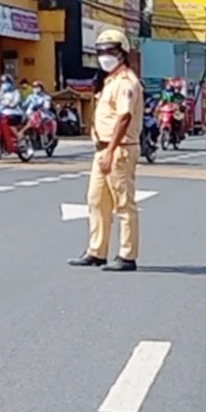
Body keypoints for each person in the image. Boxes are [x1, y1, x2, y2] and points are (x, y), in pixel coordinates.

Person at [68, 28, 144, 272]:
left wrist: (111, 150)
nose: (104, 56)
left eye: (110, 51)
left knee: (123, 204)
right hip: (103, 148)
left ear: (122, 53)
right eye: (100, 52)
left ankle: (127, 255)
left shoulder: (126, 82)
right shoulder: (108, 81)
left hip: (119, 149)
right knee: (96, 201)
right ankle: (96, 251)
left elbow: (124, 116)